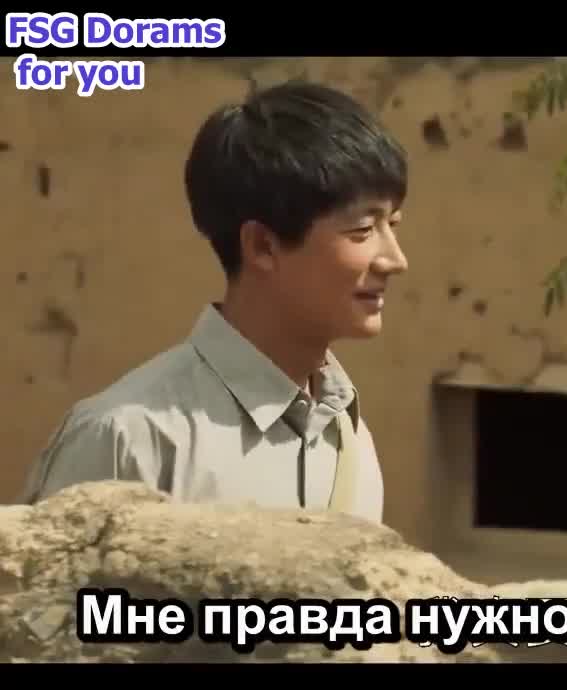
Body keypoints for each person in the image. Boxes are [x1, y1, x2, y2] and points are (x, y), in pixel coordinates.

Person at [18, 81, 410, 524]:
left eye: (393, 224)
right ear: (262, 246)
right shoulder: (130, 440)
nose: (395, 260)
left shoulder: (350, 439)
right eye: (363, 230)